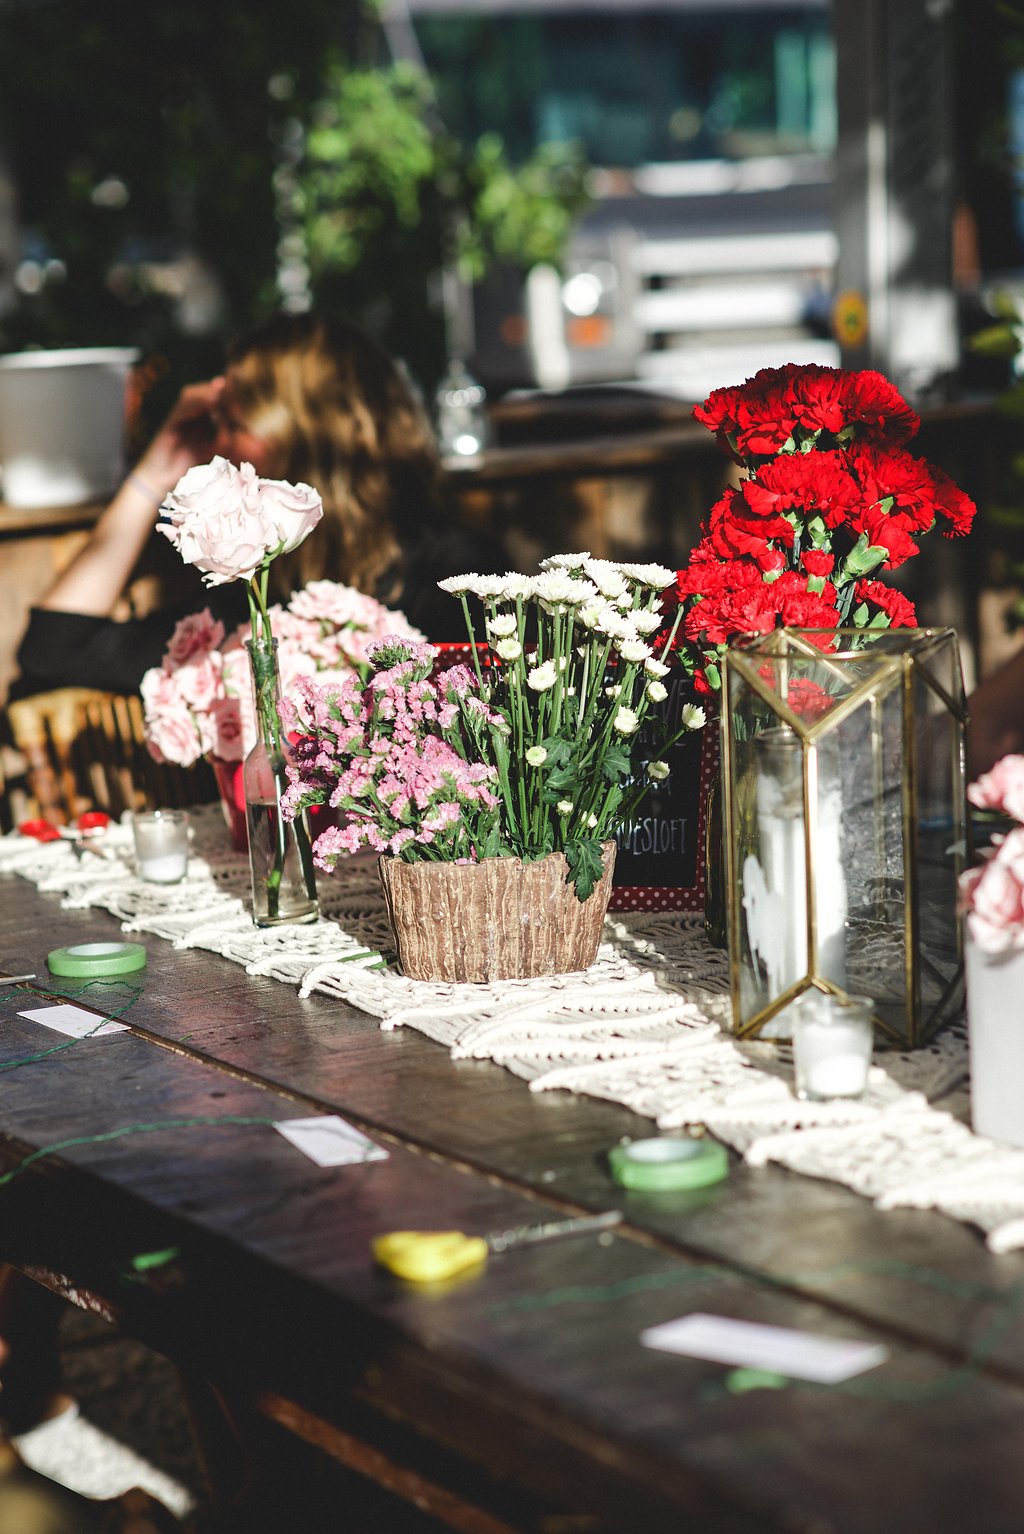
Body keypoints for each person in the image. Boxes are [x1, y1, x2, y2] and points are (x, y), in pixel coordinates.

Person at [13, 313, 502, 697]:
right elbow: (55, 647)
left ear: (306, 439)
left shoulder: (457, 581)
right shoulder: (252, 599)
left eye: (233, 425)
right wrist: (156, 470)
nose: (216, 450)